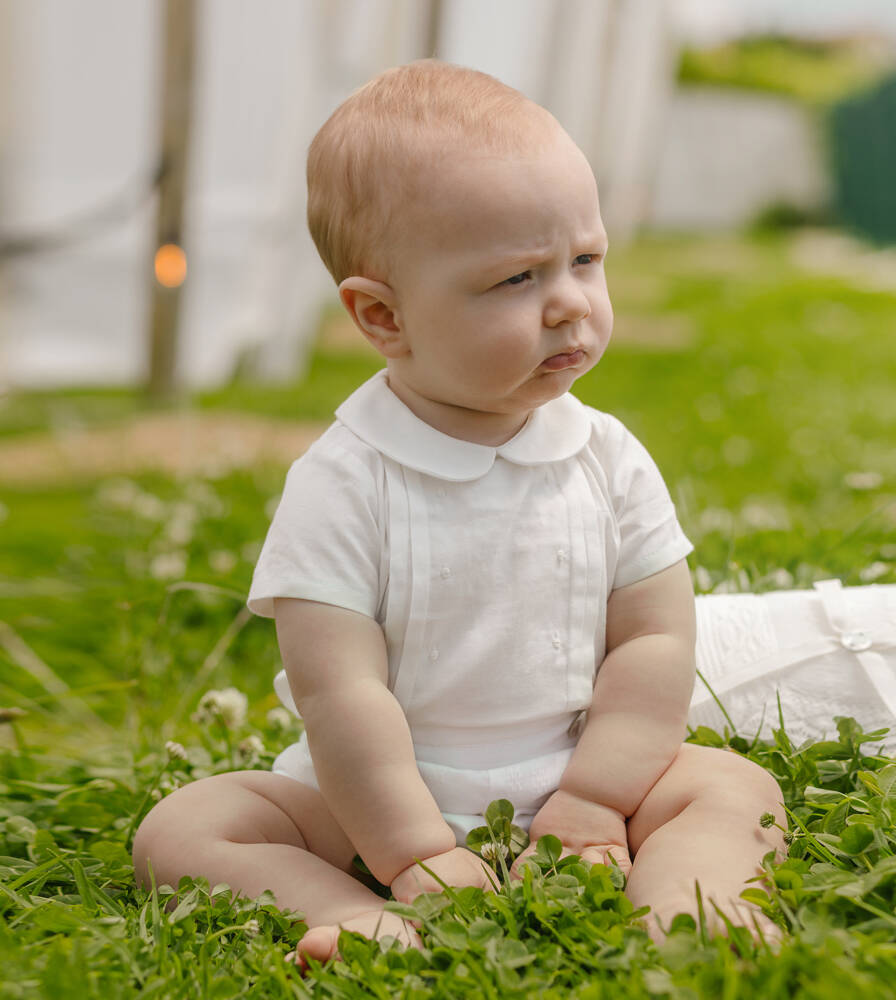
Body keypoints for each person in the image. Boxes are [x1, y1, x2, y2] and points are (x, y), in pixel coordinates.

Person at [132, 59, 785, 967]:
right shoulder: (346, 480)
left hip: (575, 773)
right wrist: (411, 851)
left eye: (585, 260)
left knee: (729, 785)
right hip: (374, 797)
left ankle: (690, 902)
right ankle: (358, 915)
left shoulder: (607, 457)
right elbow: (339, 692)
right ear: (383, 317)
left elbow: (653, 643)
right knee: (190, 825)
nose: (569, 302)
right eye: (517, 279)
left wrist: (597, 795)